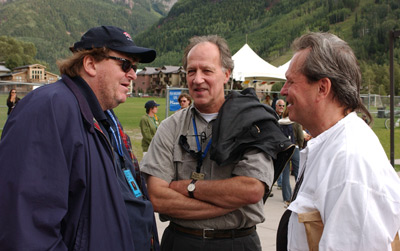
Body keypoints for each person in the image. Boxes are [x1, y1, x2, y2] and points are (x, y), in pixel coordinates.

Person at [0, 25, 160, 250]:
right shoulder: (49, 108)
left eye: (135, 67)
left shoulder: (103, 115)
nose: (133, 74)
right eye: (125, 64)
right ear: (90, 64)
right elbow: (27, 229)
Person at [141, 35, 293, 251]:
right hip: (181, 241)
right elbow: (157, 196)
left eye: (207, 70)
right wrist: (228, 204)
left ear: (226, 74)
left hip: (237, 243)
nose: (197, 79)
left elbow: (250, 190)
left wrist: (187, 187)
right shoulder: (170, 127)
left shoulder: (253, 123)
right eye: (191, 71)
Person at [277, 32, 400, 250]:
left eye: (291, 81)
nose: (284, 91)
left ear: (322, 88)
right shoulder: (332, 146)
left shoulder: (350, 162)